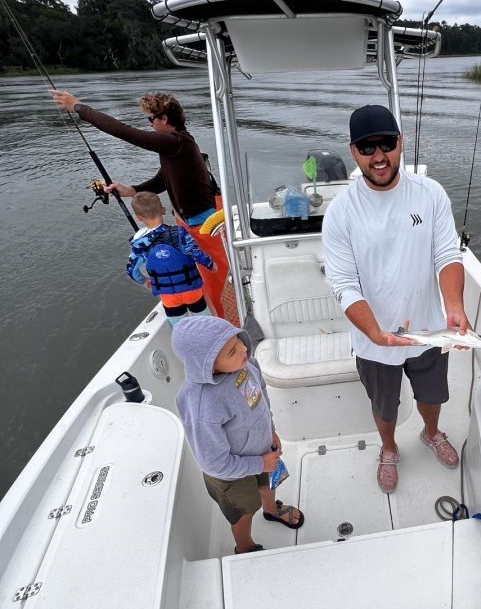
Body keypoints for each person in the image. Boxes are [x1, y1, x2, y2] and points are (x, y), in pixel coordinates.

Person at [322, 103, 469, 493]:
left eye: (386, 144)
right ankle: (388, 449)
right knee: (384, 407)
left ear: (400, 143)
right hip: (375, 339)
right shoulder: (340, 214)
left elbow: (447, 255)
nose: (379, 156)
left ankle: (431, 433)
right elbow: (343, 284)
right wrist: (375, 333)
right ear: (353, 152)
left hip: (428, 328)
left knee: (433, 395)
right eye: (367, 148)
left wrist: (454, 308)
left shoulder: (430, 193)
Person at [50, 88, 230, 318]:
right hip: (186, 222)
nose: (150, 125)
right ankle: (209, 322)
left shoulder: (176, 142)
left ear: (164, 119)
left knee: (210, 285)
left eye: (151, 119)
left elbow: (125, 132)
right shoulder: (176, 147)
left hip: (203, 224)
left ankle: (222, 331)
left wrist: (79, 107)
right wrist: (131, 190)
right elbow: (161, 180)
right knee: (194, 280)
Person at [172, 316, 304, 554]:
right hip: (231, 473)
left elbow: (260, 392)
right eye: (232, 351)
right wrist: (259, 463)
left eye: (238, 341)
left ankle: (272, 510)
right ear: (208, 365)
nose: (244, 348)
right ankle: (245, 546)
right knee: (244, 511)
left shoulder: (246, 363)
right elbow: (213, 464)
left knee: (269, 482)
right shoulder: (203, 405)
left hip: (262, 450)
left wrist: (270, 429)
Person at [127, 191, 215, 327]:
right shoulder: (179, 233)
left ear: (138, 217)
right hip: (191, 290)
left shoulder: (140, 244)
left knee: (180, 328)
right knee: (206, 324)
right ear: (163, 210)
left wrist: (143, 281)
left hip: (168, 296)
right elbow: (196, 253)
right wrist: (210, 264)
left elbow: (131, 270)